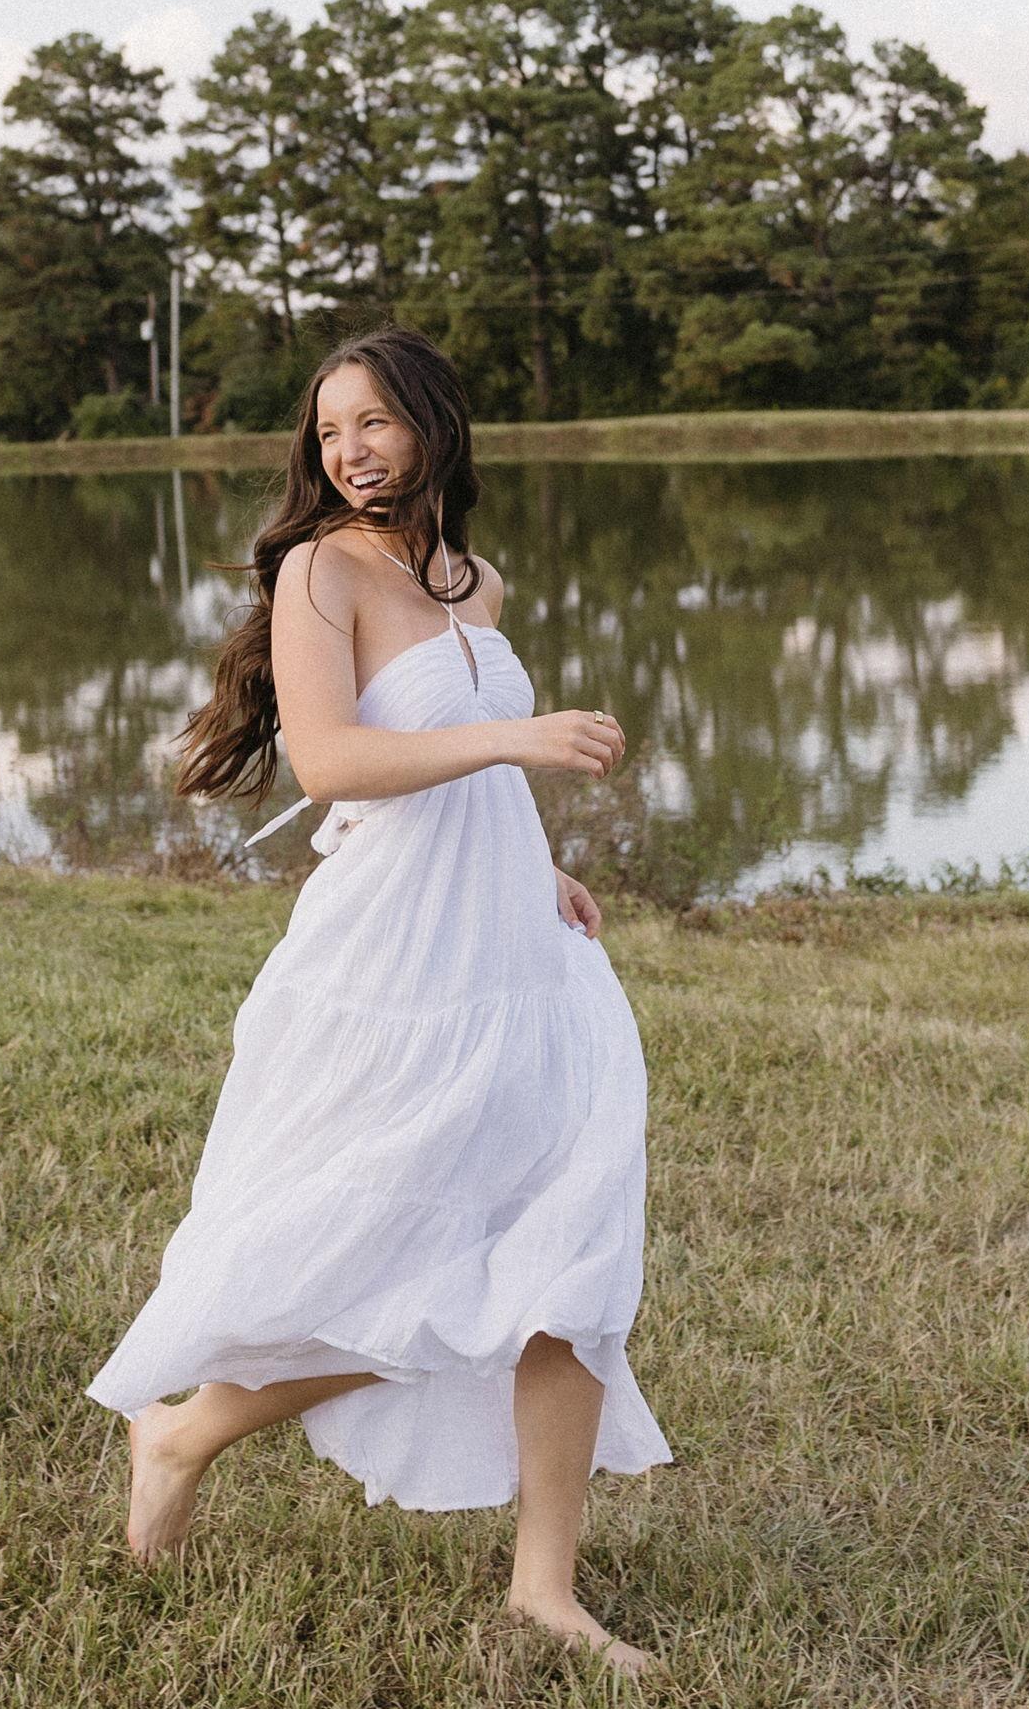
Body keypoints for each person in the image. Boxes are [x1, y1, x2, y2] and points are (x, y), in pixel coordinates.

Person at [87, 326, 669, 1673]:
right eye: (328, 428)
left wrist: (540, 854)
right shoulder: (317, 571)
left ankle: (546, 1586)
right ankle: (181, 1431)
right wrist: (522, 736)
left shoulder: (480, 579)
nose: (349, 450)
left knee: (570, 1249)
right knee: (401, 1262)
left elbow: (462, 780)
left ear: (431, 425)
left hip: (517, 948)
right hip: (395, 960)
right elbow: (341, 763)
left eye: (375, 423)